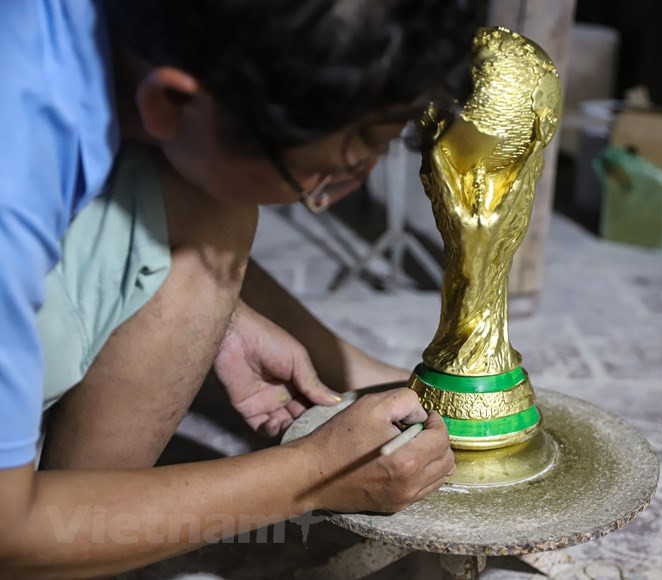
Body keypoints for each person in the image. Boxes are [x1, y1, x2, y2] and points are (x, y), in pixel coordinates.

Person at [0, 0, 480, 575]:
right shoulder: (13, 185)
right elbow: (8, 533)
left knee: (207, 206)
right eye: (324, 178)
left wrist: (217, 314)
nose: (347, 188)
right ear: (171, 102)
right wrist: (312, 478)